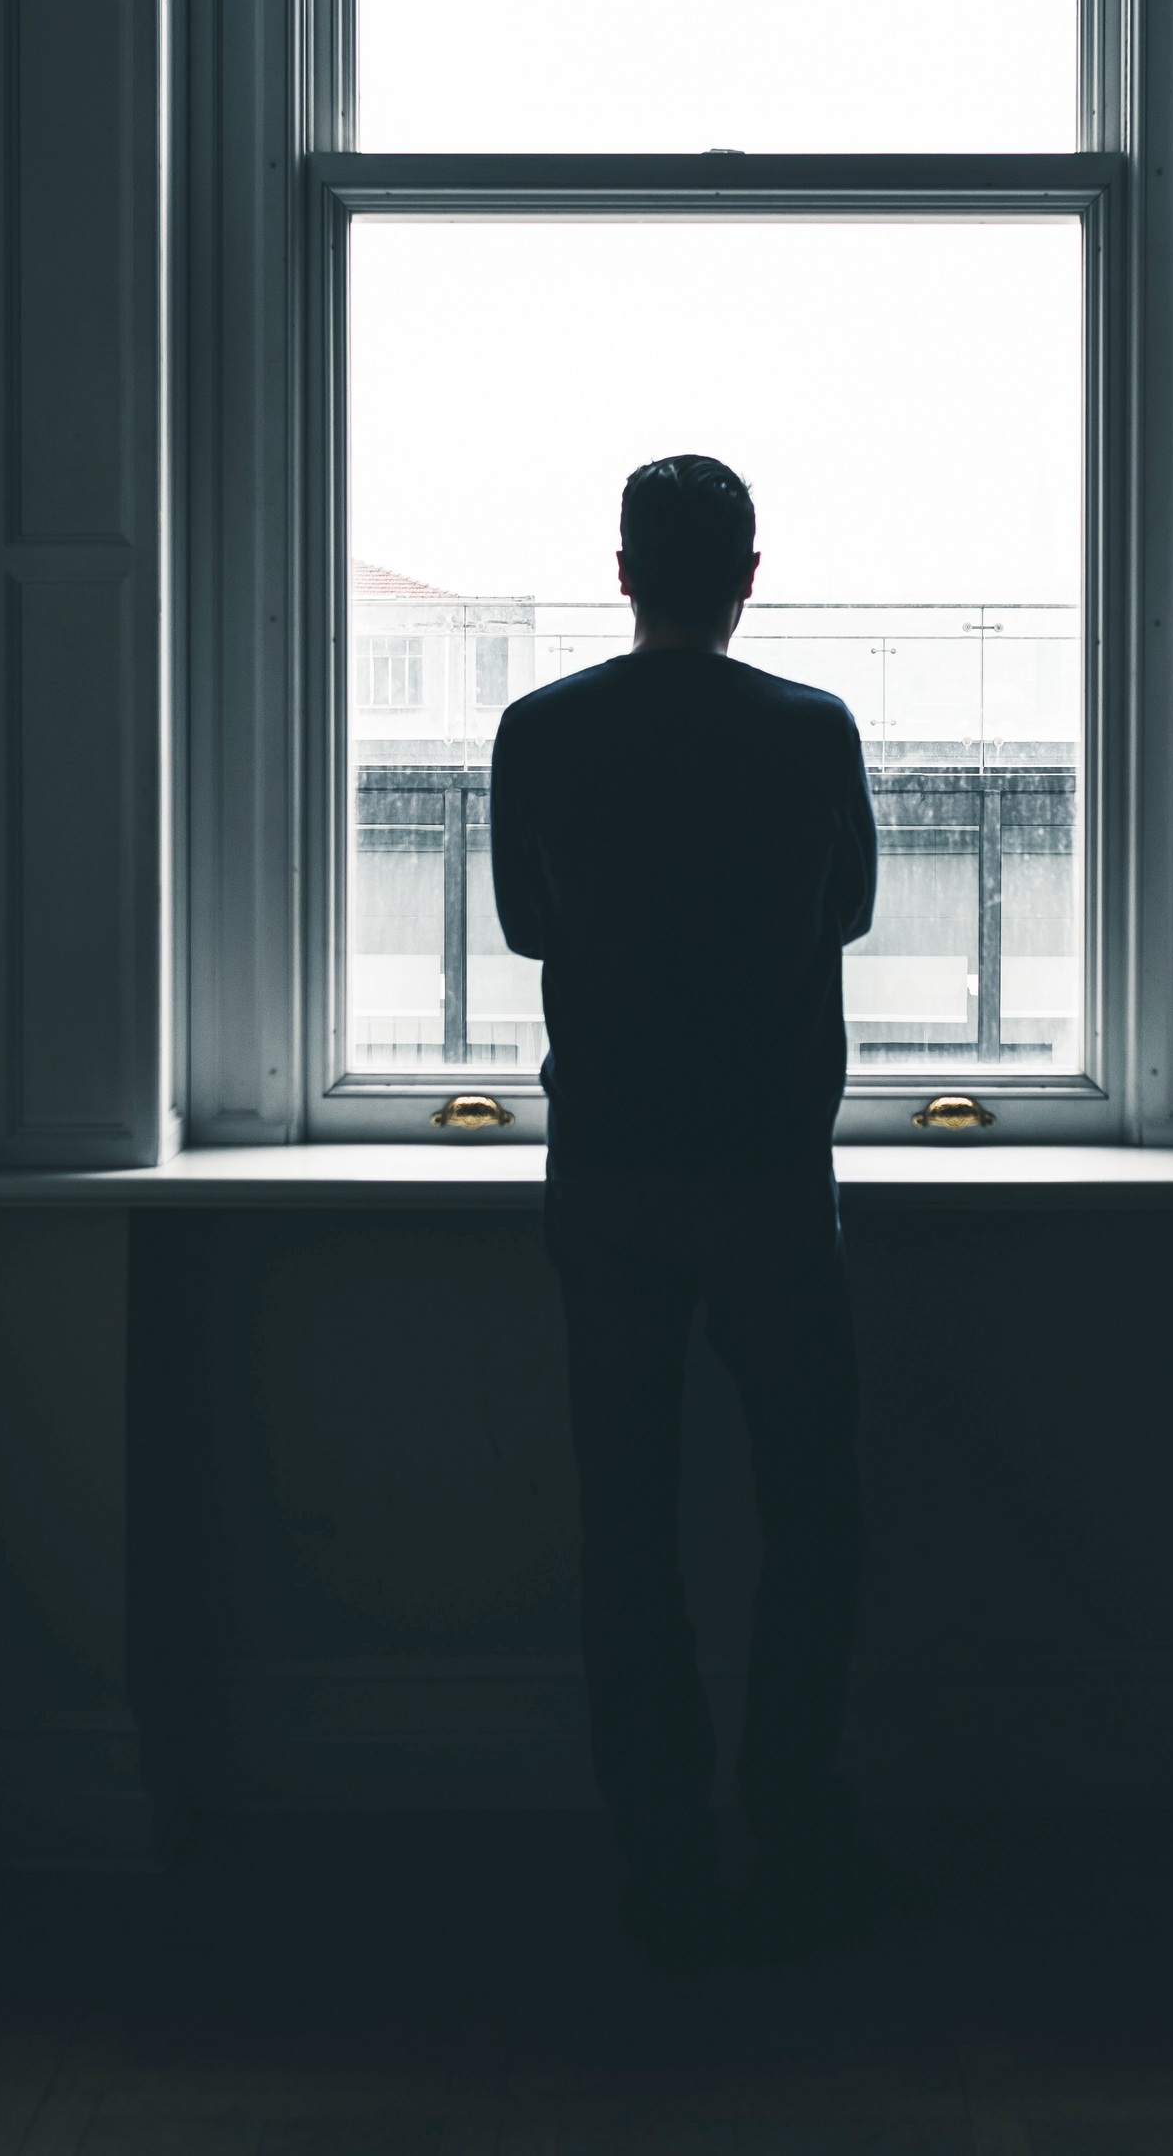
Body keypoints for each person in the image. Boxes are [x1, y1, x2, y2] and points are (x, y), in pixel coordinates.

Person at [489, 455, 879, 1966]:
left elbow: (529, 925)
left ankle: (658, 1843)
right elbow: (842, 912)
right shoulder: (807, 731)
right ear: (747, 575)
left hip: (613, 1170)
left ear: (626, 569)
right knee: (814, 1513)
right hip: (769, 1170)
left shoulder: (544, 729)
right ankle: (789, 1808)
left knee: (627, 1519)